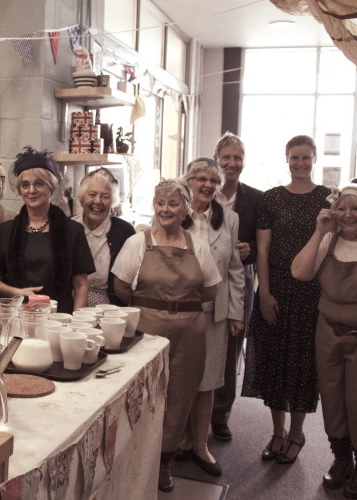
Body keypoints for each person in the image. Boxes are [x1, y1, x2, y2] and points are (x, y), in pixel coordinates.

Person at [112, 179, 221, 492]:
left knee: (179, 396)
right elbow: (121, 287)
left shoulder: (196, 244)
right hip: (146, 329)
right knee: (143, 393)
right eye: (160, 203)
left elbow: (211, 288)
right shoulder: (138, 243)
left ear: (186, 208)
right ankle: (134, 456)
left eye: (173, 204)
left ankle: (163, 462)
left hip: (190, 332)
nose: (165, 209)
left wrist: (179, 307)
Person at [242, 135, 332, 464]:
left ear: (315, 159)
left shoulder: (326, 199)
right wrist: (263, 293)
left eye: (306, 158)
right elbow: (262, 251)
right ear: (286, 159)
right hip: (276, 286)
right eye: (295, 157)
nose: (300, 163)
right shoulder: (271, 199)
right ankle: (277, 432)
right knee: (273, 362)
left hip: (311, 292)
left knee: (302, 363)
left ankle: (297, 432)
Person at [291, 184, 357, 498]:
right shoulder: (329, 240)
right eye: (342, 208)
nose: (348, 215)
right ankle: (341, 458)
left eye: (356, 208)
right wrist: (318, 232)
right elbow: (300, 272)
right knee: (333, 398)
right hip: (327, 333)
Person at [175, 159, 245, 477]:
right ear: (187, 181)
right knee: (182, 378)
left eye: (212, 180)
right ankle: (182, 440)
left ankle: (201, 445)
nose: (206, 184)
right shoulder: (174, 212)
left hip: (215, 313)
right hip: (181, 310)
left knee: (208, 382)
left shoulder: (229, 218)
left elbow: (234, 270)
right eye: (200, 178)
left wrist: (236, 313)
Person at [0, 147, 95, 313]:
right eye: (25, 185)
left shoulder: (73, 231)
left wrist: (75, 323)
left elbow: (81, 285)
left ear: (51, 187)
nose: (32, 190)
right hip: (20, 315)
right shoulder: (6, 231)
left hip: (61, 319)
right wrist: (17, 292)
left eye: (38, 183)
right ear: (20, 190)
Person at [211, 132, 263, 441]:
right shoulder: (201, 190)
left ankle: (221, 413)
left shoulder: (254, 199)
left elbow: (263, 244)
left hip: (240, 279)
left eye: (237, 158)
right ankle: (193, 410)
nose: (232, 163)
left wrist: (250, 251)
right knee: (203, 343)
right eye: (226, 157)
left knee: (231, 346)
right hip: (205, 279)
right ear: (216, 158)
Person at [72, 168, 135, 306]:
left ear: (112, 202)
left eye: (105, 196)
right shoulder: (68, 228)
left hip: (108, 308)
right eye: (92, 194)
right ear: (82, 200)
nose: (98, 201)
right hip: (70, 303)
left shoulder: (125, 232)